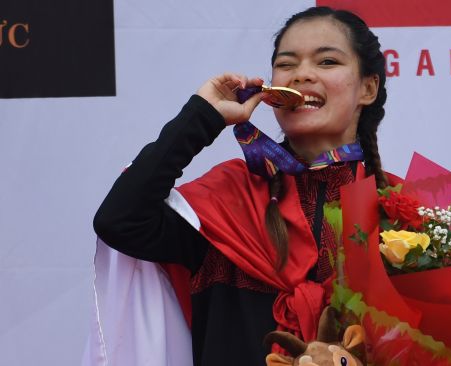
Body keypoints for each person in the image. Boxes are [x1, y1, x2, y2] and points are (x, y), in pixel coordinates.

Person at [93, 6, 387, 365]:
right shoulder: (228, 197)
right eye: (287, 64)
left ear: (368, 88)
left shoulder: (403, 218)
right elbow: (120, 220)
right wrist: (203, 115)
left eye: (326, 62)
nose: (301, 75)